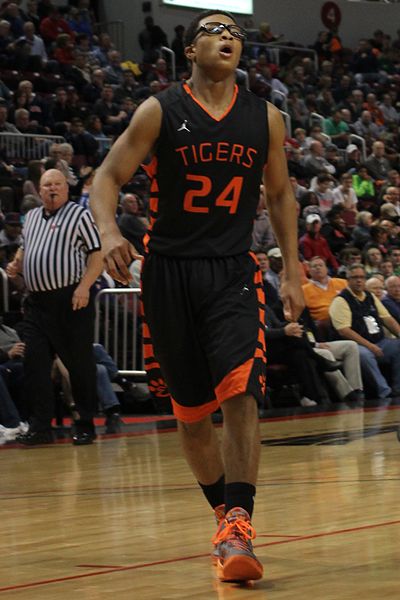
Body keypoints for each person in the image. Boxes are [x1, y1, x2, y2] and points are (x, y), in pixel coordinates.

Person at [90, 9, 304, 583]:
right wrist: (110, 232)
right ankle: (222, 516)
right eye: (214, 29)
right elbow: (107, 178)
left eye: (235, 32)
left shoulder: (267, 118)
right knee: (189, 416)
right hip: (168, 273)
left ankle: (241, 520)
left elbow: (281, 195)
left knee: (241, 391)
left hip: (233, 269)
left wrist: (290, 270)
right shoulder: (160, 110)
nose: (228, 37)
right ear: (189, 49)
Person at [6, 169, 103, 446]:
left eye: (57, 184)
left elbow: (96, 256)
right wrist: (16, 264)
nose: (52, 189)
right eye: (47, 184)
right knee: (35, 365)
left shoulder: (79, 215)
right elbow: (24, 249)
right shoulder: (32, 217)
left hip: (71, 301)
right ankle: (40, 427)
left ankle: (85, 424)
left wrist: (84, 287)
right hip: (37, 304)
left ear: (66, 188)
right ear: (39, 189)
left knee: (79, 367)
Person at [329, 263, 400, 399]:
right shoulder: (341, 300)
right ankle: (384, 392)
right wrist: (370, 346)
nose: (359, 280)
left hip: (380, 341)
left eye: (362, 277)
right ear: (348, 280)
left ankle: (398, 390)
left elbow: (387, 319)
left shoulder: (370, 297)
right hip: (356, 345)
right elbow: (344, 331)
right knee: (364, 355)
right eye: (355, 277)